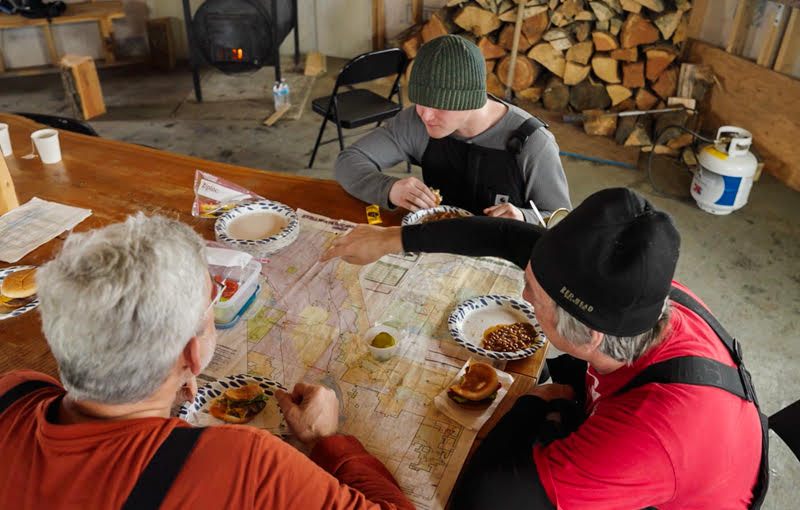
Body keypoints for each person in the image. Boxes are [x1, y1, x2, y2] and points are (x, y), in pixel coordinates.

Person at [321, 188, 767, 509]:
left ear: (585, 337)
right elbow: (508, 239)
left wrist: (531, 404)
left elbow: (484, 500)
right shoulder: (632, 293)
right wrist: (393, 239)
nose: (523, 295)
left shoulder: (647, 435)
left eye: (531, 292)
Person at [0, 214, 413, 510]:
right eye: (210, 303)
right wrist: (327, 439)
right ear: (191, 353)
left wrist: (168, 395)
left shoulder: (15, 389)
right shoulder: (247, 463)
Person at [334, 34, 571, 223]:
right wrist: (388, 189)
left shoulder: (534, 143)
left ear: (470, 101)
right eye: (420, 103)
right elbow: (348, 161)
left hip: (503, 257)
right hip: (439, 249)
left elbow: (562, 219)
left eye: (440, 107)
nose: (426, 115)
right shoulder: (415, 123)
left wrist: (523, 217)